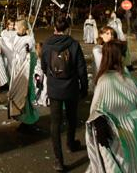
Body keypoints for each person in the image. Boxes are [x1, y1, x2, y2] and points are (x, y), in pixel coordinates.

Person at [85, 41, 137, 173]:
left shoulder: (122, 73)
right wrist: (101, 127)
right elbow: (97, 109)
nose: (127, 56)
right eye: (125, 53)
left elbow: (130, 92)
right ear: (119, 56)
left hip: (134, 131)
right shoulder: (106, 81)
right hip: (122, 136)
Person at [41, 16, 88, 171]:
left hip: (54, 87)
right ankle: (70, 143)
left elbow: (44, 65)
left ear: (55, 28)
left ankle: (58, 159)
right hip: (71, 87)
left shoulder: (47, 44)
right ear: (67, 29)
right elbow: (81, 68)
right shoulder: (74, 44)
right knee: (72, 116)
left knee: (55, 123)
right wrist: (84, 87)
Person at [7, 19, 38, 129]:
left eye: (16, 26)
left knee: (25, 93)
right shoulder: (15, 37)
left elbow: (32, 57)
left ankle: (29, 119)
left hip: (25, 71)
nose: (14, 27)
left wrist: (28, 53)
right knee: (16, 93)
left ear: (23, 28)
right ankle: (21, 117)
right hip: (16, 69)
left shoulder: (29, 40)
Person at [0, 19, 16, 88]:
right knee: (5, 66)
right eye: (10, 25)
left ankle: (11, 82)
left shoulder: (16, 32)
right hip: (4, 51)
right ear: (7, 25)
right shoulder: (3, 32)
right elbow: (1, 41)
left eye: (13, 25)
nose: (12, 27)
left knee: (11, 67)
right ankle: (5, 83)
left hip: (12, 51)